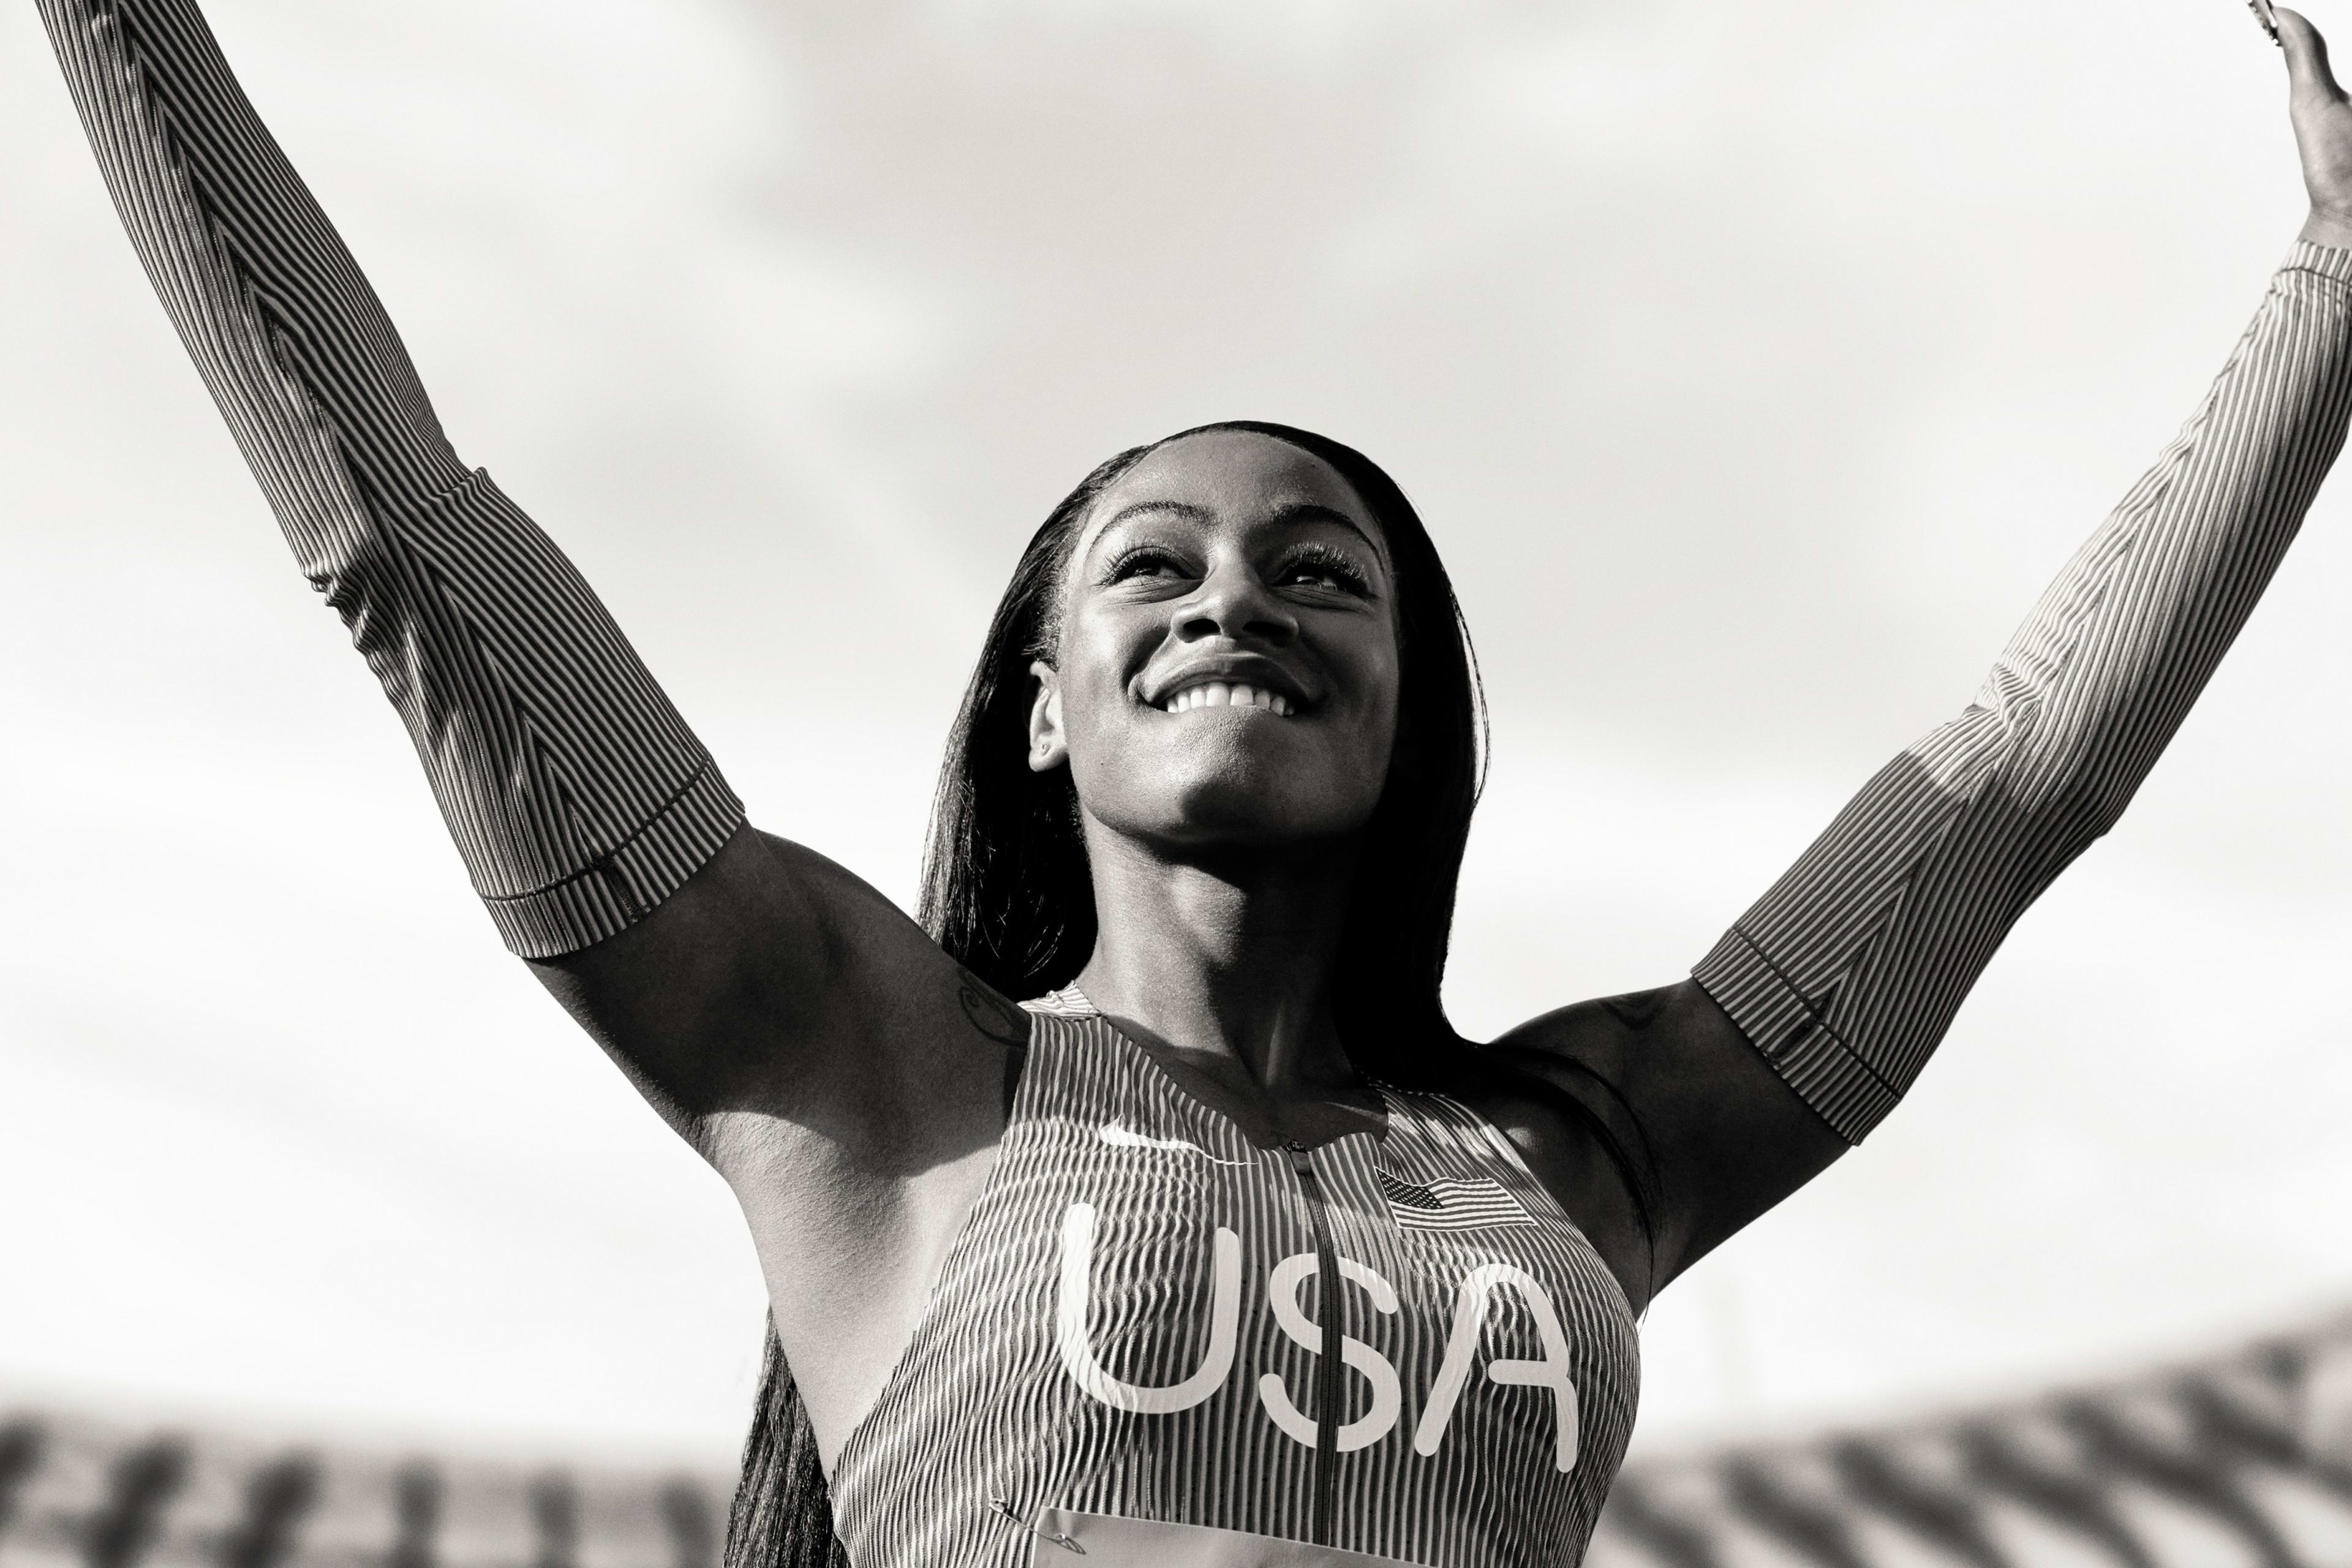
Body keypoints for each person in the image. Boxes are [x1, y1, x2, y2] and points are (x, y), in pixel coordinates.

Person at [32, 2, 2352, 1564]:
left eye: (1322, 571)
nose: (1236, 602)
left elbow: (2015, 781)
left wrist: (2332, 302)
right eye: (1154, 565)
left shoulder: (1598, 1144)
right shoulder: (858, 1055)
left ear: (1414, 698)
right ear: (1044, 703)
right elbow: (412, 546)